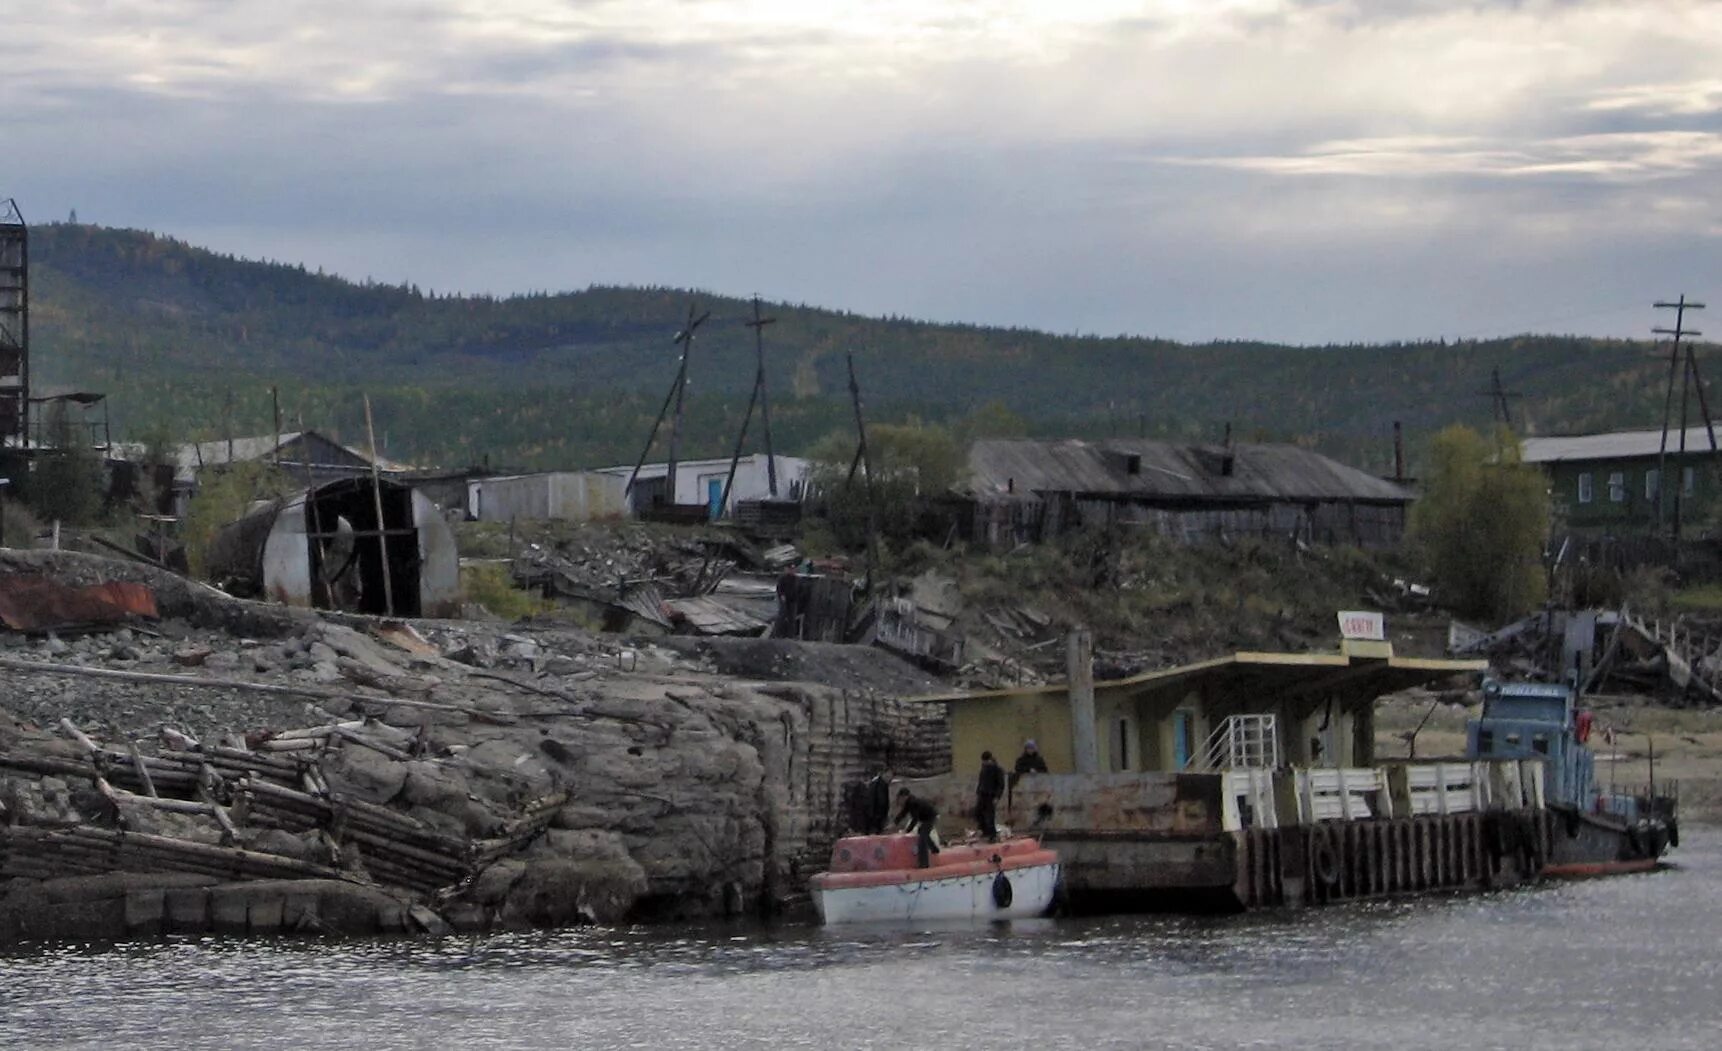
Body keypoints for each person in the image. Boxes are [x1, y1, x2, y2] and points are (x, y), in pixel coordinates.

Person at [893, 787, 940, 868]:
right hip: (927, 817)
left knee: (922, 837)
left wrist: (907, 831)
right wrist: (895, 822)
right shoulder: (909, 802)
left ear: (905, 796)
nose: (900, 801)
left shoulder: (912, 802)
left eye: (900, 798)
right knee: (921, 831)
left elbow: (915, 819)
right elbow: (903, 813)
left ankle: (924, 863)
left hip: (930, 817)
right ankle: (934, 849)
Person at [975, 751, 1005, 841]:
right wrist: (978, 791)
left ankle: (992, 835)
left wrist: (997, 797)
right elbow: (981, 781)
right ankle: (985, 830)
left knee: (990, 816)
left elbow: (1000, 785)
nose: (984, 763)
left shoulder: (997, 769)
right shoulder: (984, 769)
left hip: (991, 795)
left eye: (986, 761)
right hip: (982, 794)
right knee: (978, 813)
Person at [862, 767, 894, 834]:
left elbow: (885, 802)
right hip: (874, 818)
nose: (890, 778)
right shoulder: (875, 784)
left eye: (891, 776)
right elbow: (871, 802)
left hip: (881, 817)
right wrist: (871, 818)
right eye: (888, 776)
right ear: (883, 774)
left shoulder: (885, 785)